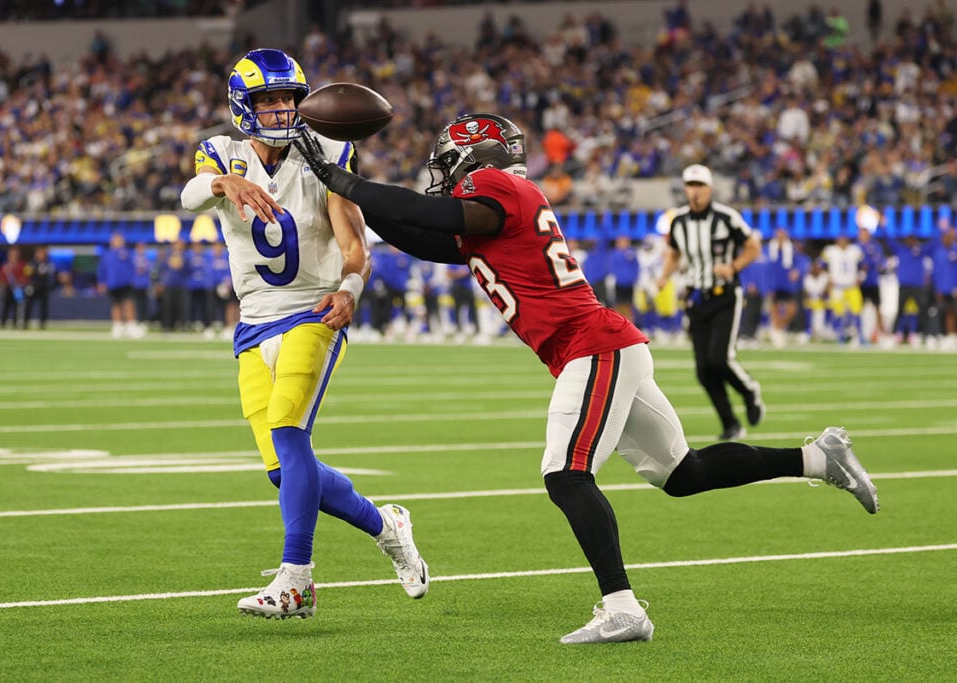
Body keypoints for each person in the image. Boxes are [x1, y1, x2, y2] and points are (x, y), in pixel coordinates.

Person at [292, 112, 880, 645]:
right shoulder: (491, 213)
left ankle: (623, 608)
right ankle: (816, 459)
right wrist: (349, 196)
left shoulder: (496, 187)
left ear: (474, 159)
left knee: (565, 475)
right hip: (605, 346)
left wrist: (347, 182)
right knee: (683, 474)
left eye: (449, 164)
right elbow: (421, 235)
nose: (443, 176)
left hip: (593, 348)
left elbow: (430, 213)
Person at [179, 48, 428, 620]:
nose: (281, 108)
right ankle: (385, 525)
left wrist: (350, 290)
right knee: (281, 468)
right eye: (268, 99)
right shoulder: (222, 153)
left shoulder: (329, 152)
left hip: (312, 309)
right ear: (244, 104)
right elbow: (188, 195)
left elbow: (354, 245)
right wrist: (222, 184)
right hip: (252, 318)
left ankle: (297, 580)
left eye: (289, 97)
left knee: (290, 433)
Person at [656, 165, 764, 441]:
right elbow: (674, 252)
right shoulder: (678, 221)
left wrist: (734, 266)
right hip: (696, 298)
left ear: (709, 188)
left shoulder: (727, 217)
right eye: (690, 185)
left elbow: (753, 246)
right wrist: (664, 276)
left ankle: (749, 390)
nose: (695, 191)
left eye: (700, 185)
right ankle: (730, 423)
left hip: (725, 295)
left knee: (719, 358)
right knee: (704, 370)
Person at [97, 232, 139, 338]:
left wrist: (133, 279)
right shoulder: (107, 254)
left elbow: (132, 267)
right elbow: (102, 269)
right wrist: (102, 282)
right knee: (116, 305)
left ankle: (131, 326)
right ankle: (117, 327)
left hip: (125, 283)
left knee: (128, 304)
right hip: (112, 284)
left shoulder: (126, 252)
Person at [23, 246, 55, 329]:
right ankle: (25, 323)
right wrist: (34, 271)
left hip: (43, 287)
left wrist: (35, 271)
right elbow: (26, 272)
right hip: (33, 287)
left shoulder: (47, 263)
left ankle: (42, 324)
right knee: (28, 305)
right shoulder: (32, 262)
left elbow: (47, 272)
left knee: (43, 306)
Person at [0, 246, 28, 328]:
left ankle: (15, 323)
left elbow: (26, 277)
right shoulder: (5, 266)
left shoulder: (22, 265)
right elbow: (0, 276)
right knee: (5, 306)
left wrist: (20, 282)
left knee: (17, 307)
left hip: (17, 289)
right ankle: (2, 323)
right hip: (7, 288)